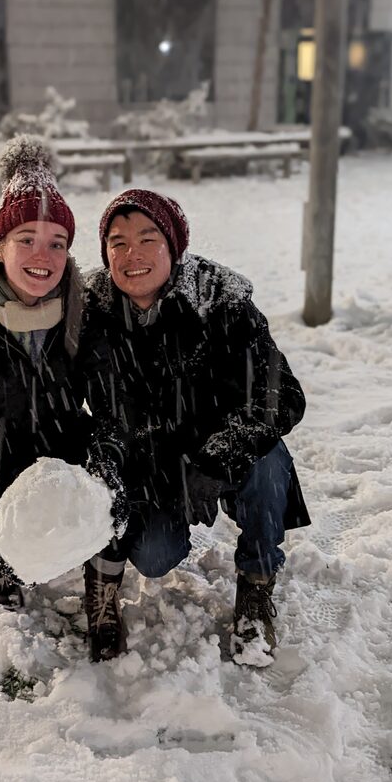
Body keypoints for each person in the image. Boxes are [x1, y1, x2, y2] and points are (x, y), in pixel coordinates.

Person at [80, 189, 310, 664]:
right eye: (117, 243)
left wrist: (217, 458)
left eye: (148, 238)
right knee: (155, 555)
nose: (132, 255)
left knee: (268, 466)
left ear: (174, 246)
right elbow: (95, 414)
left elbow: (281, 397)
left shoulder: (221, 301)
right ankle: (99, 584)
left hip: (226, 449)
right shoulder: (91, 311)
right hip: (152, 464)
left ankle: (257, 584)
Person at [0, 135, 123, 609]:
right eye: (26, 240)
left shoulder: (87, 310)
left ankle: (103, 587)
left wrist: (104, 474)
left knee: (120, 488)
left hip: (65, 442)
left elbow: (113, 409)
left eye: (57, 243)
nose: (43, 256)